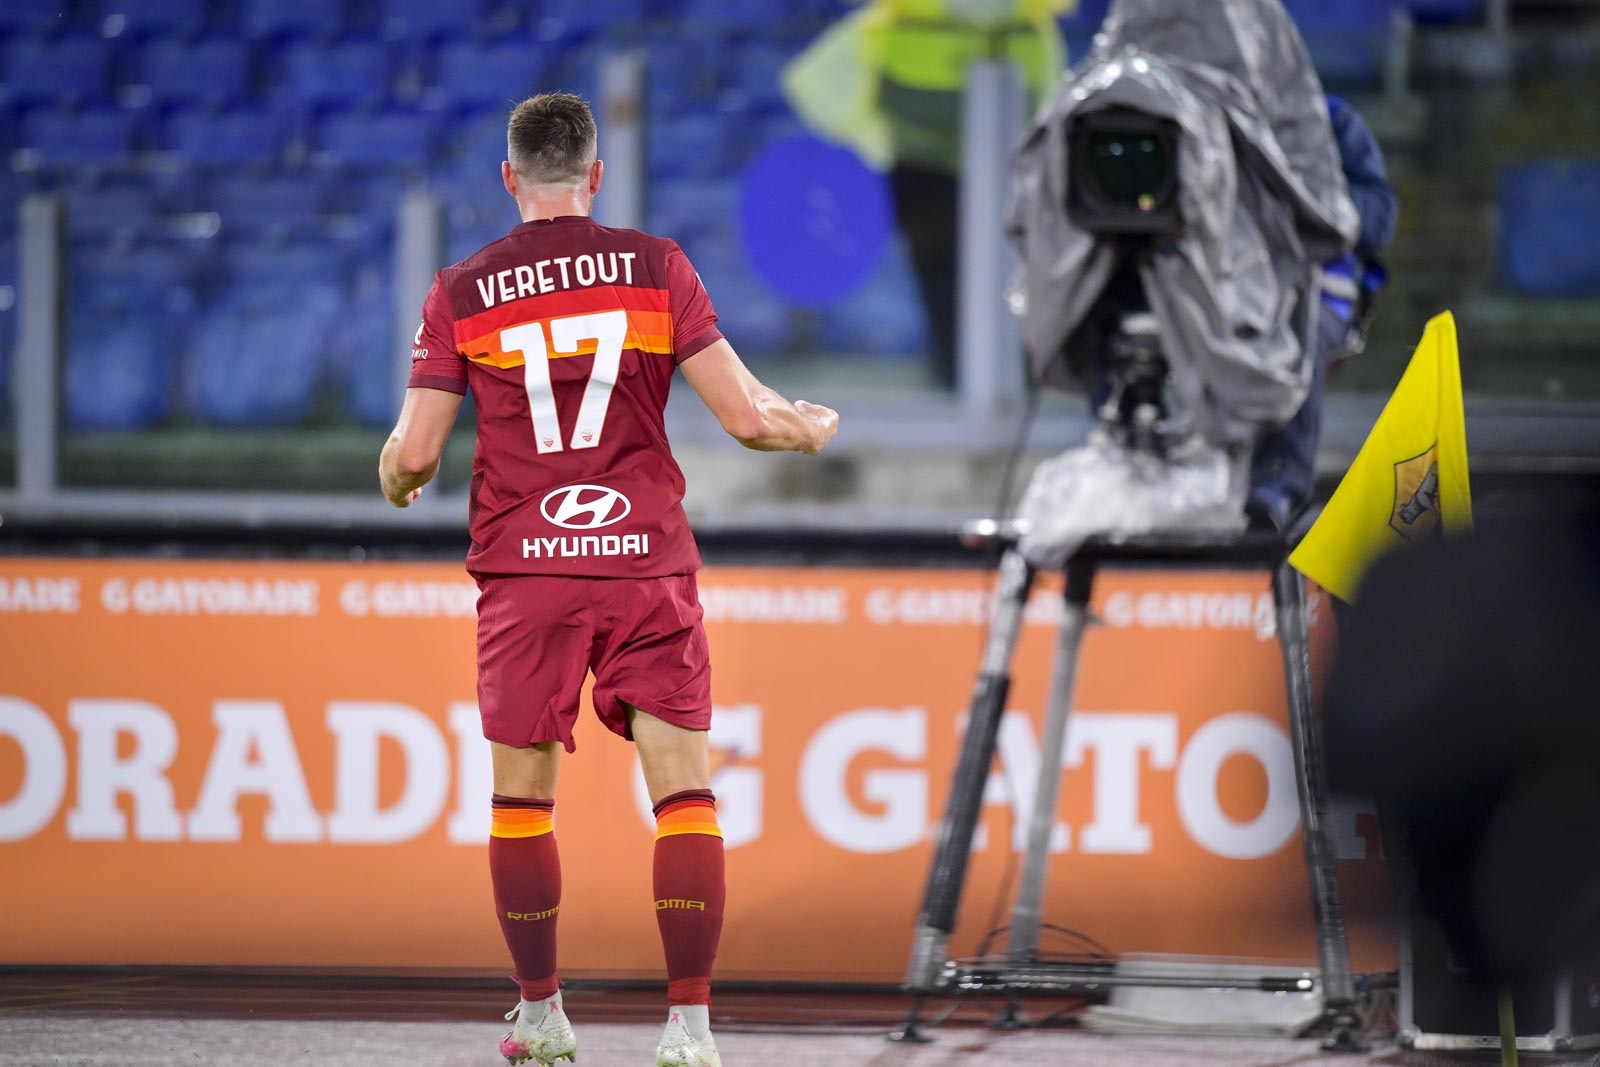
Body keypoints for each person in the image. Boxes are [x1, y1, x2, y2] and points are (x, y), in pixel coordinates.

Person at [378, 92, 839, 1067]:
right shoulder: (656, 267)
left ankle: (542, 1015)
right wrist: (807, 429)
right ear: (595, 175)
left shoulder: (461, 290)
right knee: (684, 794)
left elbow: (415, 454)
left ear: (509, 178)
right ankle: (690, 1029)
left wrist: (397, 478)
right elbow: (748, 418)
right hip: (644, 562)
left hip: (525, 570)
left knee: (521, 802)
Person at [784, 0, 1072, 389]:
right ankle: (971, 372)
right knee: (959, 267)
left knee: (987, 267)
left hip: (982, 140)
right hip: (932, 147)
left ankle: (984, 373)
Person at [1247, 93, 1398, 532]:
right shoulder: (1205, 109)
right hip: (1224, 288)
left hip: (1318, 288)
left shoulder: (1328, 117)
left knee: (1299, 323)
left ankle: (1278, 486)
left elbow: (1380, 217)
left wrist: (1311, 192)